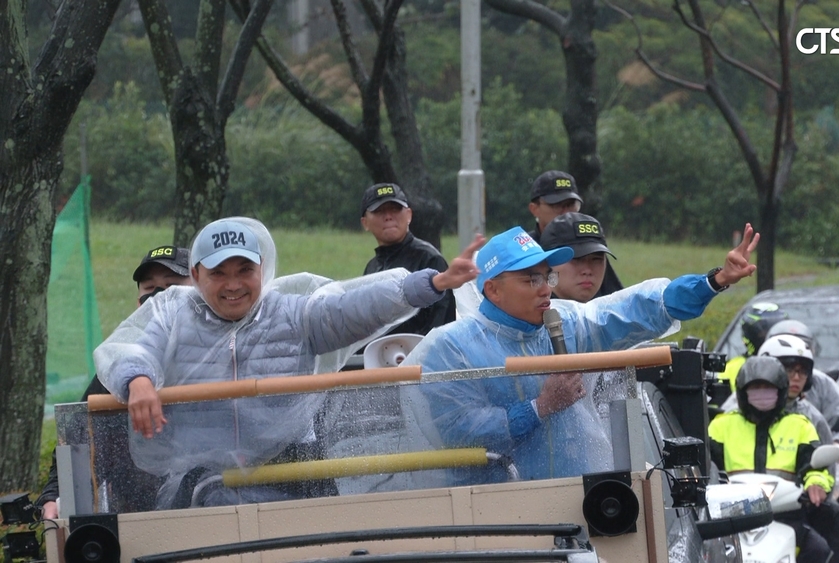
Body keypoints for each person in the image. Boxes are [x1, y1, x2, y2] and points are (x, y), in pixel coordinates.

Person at [94, 217, 483, 509]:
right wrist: (138, 381)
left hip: (291, 473)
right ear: (195, 275)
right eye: (218, 273)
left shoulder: (294, 315)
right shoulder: (172, 314)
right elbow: (133, 348)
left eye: (245, 270)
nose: (233, 285)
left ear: (262, 270)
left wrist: (431, 284)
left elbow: (351, 306)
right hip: (200, 482)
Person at [402, 223, 759, 484]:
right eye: (532, 280)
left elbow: (635, 309)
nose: (546, 289)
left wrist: (713, 282)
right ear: (493, 290)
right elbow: (455, 433)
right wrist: (538, 409)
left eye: (548, 277)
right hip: (492, 521)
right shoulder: (450, 348)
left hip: (581, 507)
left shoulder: (566, 322)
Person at [36, 245, 194, 519]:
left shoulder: (220, 353)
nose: (159, 297)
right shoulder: (116, 364)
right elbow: (78, 439)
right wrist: (54, 496)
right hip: (138, 516)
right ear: (138, 303)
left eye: (171, 286)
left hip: (216, 503)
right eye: (150, 289)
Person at [709, 356, 839, 563]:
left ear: (781, 392)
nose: (762, 394)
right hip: (733, 516)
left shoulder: (800, 425)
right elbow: (707, 465)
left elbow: (815, 464)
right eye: (755, 387)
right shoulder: (721, 426)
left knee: (820, 550)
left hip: (786, 514)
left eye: (768, 388)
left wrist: (816, 484)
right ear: (742, 391)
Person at [765, 319, 839, 500]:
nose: (796, 377)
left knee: (836, 518)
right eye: (788, 368)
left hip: (800, 483)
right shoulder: (741, 402)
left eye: (802, 370)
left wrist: (838, 444)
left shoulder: (813, 416)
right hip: (750, 487)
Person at [360, 182, 456, 335]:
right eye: (379, 211)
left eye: (395, 209)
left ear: (409, 215)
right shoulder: (372, 267)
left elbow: (441, 326)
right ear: (365, 223)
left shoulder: (429, 260)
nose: (389, 216)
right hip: (378, 356)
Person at [527, 170, 623, 298]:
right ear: (534, 209)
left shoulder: (590, 243)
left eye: (571, 204)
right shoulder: (525, 251)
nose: (566, 211)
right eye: (556, 205)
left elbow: (616, 298)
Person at [538, 212, 615, 303]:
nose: (587, 270)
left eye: (596, 259)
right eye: (576, 259)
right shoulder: (527, 314)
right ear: (546, 264)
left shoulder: (613, 312)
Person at [717, 302, 788, 393]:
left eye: (778, 333)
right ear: (751, 334)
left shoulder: (794, 365)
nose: (772, 339)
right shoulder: (730, 369)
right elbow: (718, 405)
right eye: (764, 333)